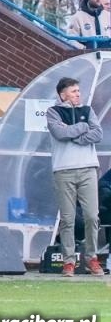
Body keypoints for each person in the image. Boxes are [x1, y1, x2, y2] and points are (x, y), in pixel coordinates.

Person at [45, 76, 104, 276]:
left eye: (79, 91)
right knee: (68, 219)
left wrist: (77, 137)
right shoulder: (53, 112)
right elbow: (60, 133)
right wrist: (82, 128)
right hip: (63, 170)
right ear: (63, 95)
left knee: (91, 216)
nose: (78, 94)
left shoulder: (87, 110)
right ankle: (68, 262)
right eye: (74, 91)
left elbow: (98, 133)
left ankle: (92, 258)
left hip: (88, 168)